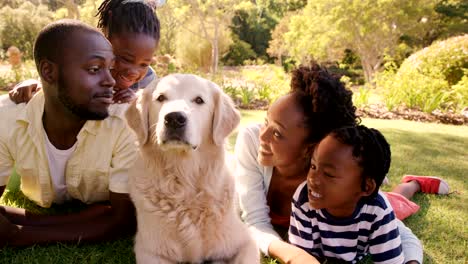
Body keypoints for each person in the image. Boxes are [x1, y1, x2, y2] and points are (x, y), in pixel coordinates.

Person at [234, 63, 436, 264]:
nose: (263, 134)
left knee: (392, 205)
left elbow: (405, 237)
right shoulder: (252, 141)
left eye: (277, 133)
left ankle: (413, 183)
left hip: (353, 205)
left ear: (311, 148)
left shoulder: (329, 173)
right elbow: (255, 221)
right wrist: (293, 255)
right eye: (266, 121)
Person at [0, 20, 137, 247]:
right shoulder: (7, 118)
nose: (110, 80)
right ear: (48, 72)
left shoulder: (126, 121)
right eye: (94, 69)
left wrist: (19, 234)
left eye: (110, 68)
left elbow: (123, 219)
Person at [8, 0, 161, 104]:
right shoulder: (85, 67)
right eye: (125, 59)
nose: (133, 72)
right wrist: (32, 84)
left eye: (144, 63)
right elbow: (56, 83)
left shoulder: (148, 79)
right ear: (104, 38)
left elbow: (157, 107)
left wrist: (137, 100)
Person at [289, 125, 403, 263]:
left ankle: (413, 183)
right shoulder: (303, 199)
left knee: (400, 201)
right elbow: (301, 257)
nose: (312, 179)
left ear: (366, 187)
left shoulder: (379, 211)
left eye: (328, 174)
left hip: (379, 204)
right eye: (313, 166)